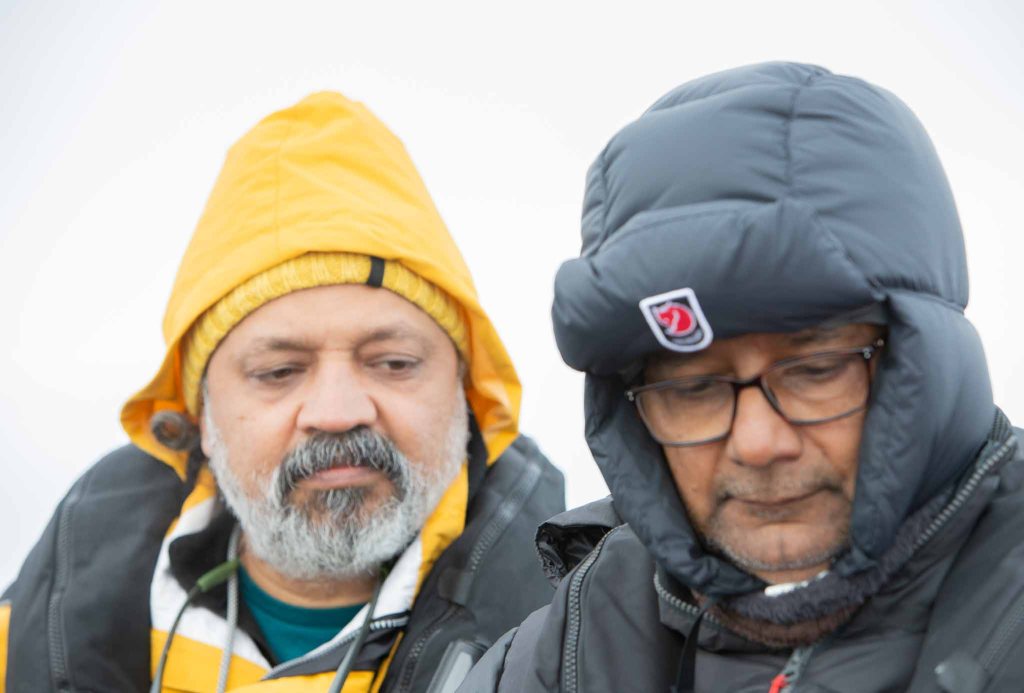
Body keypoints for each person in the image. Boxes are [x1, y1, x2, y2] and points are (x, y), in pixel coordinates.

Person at [458, 62, 1024, 692]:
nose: (757, 443)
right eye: (694, 388)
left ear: (927, 364)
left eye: (813, 370)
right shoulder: (571, 646)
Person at [0, 91, 564, 693]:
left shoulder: (581, 642)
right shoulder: (30, 631)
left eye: (394, 363)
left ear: (466, 393)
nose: (339, 413)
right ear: (201, 417)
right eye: (279, 371)